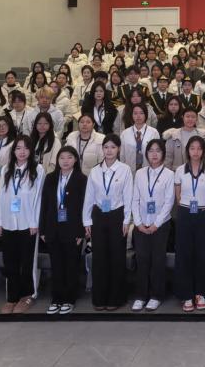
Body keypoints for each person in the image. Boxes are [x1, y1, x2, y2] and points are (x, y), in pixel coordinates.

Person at [84, 134, 132, 310]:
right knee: (99, 258)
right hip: (98, 215)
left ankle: (116, 298)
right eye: (106, 147)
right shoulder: (95, 171)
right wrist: (86, 221)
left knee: (116, 257)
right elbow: (89, 198)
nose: (109, 150)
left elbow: (128, 195)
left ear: (118, 149)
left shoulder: (125, 169)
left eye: (113, 147)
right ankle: (99, 298)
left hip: (117, 215)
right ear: (102, 149)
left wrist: (126, 220)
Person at [0, 137, 43, 314]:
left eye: (26, 148)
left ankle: (28, 295)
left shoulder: (38, 169)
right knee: (10, 262)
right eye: (18, 148)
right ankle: (12, 297)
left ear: (31, 151)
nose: (22, 152)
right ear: (13, 151)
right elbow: (1, 196)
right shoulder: (6, 169)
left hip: (27, 223)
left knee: (27, 262)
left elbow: (38, 197)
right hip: (8, 222)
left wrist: (34, 222)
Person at [40, 145, 88, 315]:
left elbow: (84, 207)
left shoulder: (81, 179)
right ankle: (56, 298)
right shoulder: (50, 178)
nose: (65, 161)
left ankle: (69, 299)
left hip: (73, 229)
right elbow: (44, 204)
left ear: (75, 160)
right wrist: (43, 230)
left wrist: (81, 232)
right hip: (53, 228)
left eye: (69, 157)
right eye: (62, 158)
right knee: (56, 265)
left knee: (71, 265)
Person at [129, 139, 174, 312]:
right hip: (141, 224)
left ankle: (156, 295)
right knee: (142, 259)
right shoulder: (140, 173)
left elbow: (169, 201)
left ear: (163, 154)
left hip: (160, 224)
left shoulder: (169, 175)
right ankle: (141, 296)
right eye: (151, 151)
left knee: (157, 260)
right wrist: (138, 222)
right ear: (146, 154)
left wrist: (156, 224)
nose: (154, 154)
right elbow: (135, 199)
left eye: (158, 150)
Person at [174, 135, 205, 312]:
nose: (196, 152)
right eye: (192, 148)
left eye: (199, 148)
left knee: (202, 253)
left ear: (203, 151)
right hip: (185, 213)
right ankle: (186, 294)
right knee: (184, 254)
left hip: (204, 214)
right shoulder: (180, 170)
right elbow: (177, 194)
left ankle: (200, 293)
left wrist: (204, 206)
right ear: (187, 151)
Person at [119, 103, 161, 173]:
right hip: (129, 171)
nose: (138, 116)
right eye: (135, 113)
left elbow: (158, 153)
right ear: (132, 115)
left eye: (141, 113)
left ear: (146, 115)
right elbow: (122, 155)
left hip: (149, 171)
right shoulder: (125, 133)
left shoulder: (153, 132)